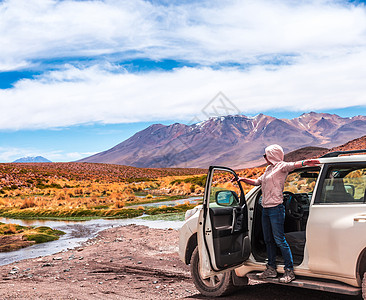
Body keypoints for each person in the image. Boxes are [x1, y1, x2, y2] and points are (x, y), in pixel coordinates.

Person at [234, 144, 320, 283]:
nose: (264, 158)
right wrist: (243, 179)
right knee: (268, 240)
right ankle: (271, 269)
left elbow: (293, 165)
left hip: (276, 209)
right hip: (266, 209)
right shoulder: (268, 169)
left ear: (272, 155)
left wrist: (306, 162)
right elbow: (257, 182)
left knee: (279, 240)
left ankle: (289, 270)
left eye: (266, 155)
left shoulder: (282, 166)